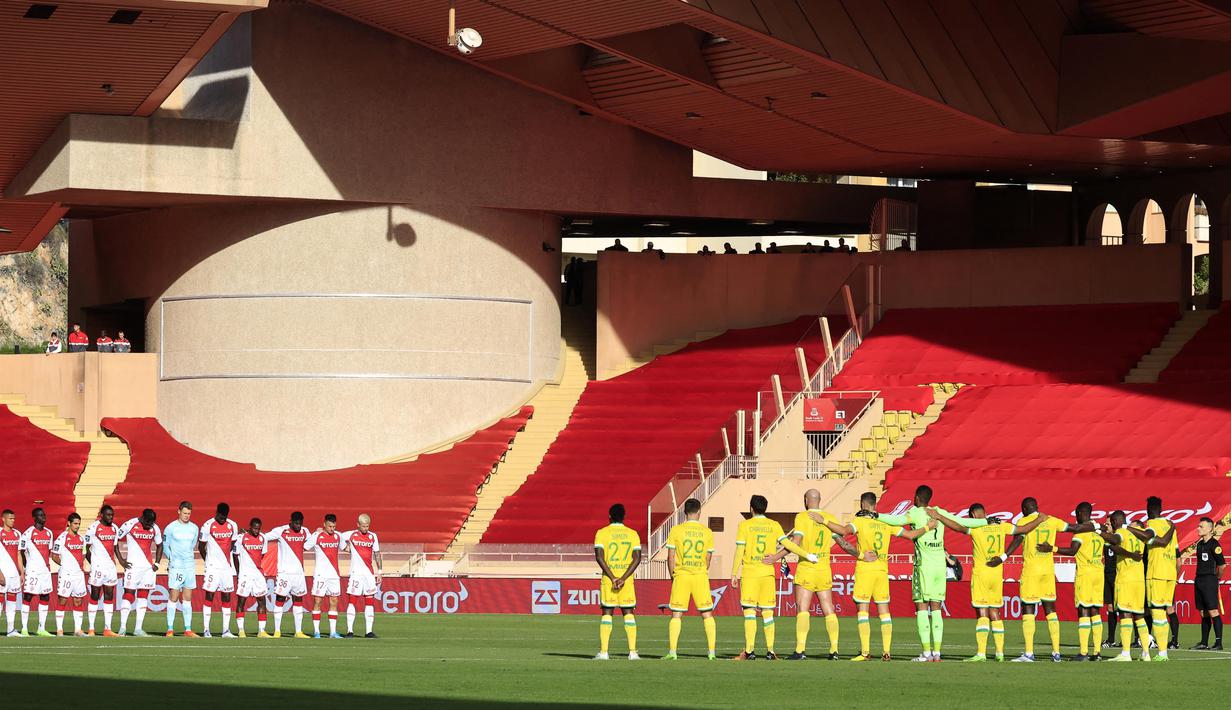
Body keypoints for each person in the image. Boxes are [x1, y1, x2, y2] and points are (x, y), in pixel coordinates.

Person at [815, 492, 935, 661]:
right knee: (884, 612)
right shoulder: (885, 521)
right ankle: (886, 652)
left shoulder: (860, 521)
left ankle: (865, 652)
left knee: (863, 610)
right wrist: (929, 527)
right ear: (875, 505)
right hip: (882, 571)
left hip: (865, 569)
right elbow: (910, 535)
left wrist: (824, 521)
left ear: (863, 505)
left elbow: (843, 531)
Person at [877, 485, 989, 662]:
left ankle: (927, 653)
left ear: (916, 497)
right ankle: (937, 652)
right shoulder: (939, 512)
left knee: (922, 607)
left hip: (924, 567)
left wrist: (875, 515)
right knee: (936, 608)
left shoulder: (915, 512)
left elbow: (896, 520)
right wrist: (987, 521)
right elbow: (964, 523)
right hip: (940, 568)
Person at [929, 503, 1049, 661]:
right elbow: (1024, 530)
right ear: (984, 513)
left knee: (982, 613)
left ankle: (981, 653)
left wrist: (939, 517)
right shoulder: (1001, 526)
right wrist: (1039, 519)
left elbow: (958, 527)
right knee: (995, 612)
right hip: (997, 574)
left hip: (981, 573)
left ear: (972, 515)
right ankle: (999, 653)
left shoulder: (977, 528)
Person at [765, 489, 858, 660]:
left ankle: (800, 650)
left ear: (807, 500)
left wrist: (776, 557)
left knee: (803, 609)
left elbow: (796, 542)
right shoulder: (829, 518)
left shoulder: (802, 517)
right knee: (828, 608)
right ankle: (834, 650)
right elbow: (843, 543)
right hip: (824, 568)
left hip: (807, 567)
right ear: (819, 500)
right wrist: (860, 555)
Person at [1002, 496, 1094, 662]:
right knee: (1050, 610)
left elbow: (1017, 539)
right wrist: (1095, 526)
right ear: (1037, 507)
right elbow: (1073, 527)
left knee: (1028, 610)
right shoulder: (1051, 520)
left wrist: (1003, 557)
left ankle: (1029, 653)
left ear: (1024, 509)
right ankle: (1056, 653)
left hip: (1031, 571)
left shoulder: (1025, 521)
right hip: (1048, 572)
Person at [730, 495, 811, 661]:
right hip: (767, 573)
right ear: (765, 508)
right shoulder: (774, 525)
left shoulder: (744, 525)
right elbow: (788, 545)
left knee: (749, 612)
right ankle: (770, 651)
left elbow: (740, 550)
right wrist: (806, 555)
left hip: (750, 573)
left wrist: (734, 573)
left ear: (751, 508)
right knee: (768, 613)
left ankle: (750, 651)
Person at [1124, 497, 1178, 659]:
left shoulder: (1152, 525)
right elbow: (1176, 552)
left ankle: (1162, 653)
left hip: (1156, 573)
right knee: (1162, 611)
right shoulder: (1169, 525)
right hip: (1170, 573)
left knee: (1157, 612)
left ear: (1148, 510)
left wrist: (1127, 528)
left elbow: (1149, 536)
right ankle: (1161, 651)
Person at [662, 498, 716, 660]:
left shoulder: (676, 530)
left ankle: (672, 652)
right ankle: (712, 653)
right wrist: (700, 569)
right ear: (699, 511)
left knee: (676, 614)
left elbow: (670, 557)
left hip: (682, 575)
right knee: (707, 613)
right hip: (700, 576)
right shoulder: (707, 532)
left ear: (684, 512)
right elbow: (708, 558)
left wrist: (673, 575)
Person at [1052, 502, 1105, 660]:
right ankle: (1097, 652)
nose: (1075, 516)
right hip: (1098, 572)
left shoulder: (1081, 533)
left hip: (1086, 574)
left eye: (1076, 513)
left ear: (1082, 513)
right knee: (1095, 611)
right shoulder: (1098, 531)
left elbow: (1072, 551)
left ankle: (1083, 652)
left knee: (1083, 610)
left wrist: (1053, 549)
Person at [1099, 511, 1151, 661]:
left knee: (1125, 614)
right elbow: (1115, 547)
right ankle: (1146, 653)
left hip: (1126, 579)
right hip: (1139, 580)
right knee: (1139, 616)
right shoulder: (1139, 534)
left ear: (1115, 522)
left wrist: (1099, 532)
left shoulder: (1122, 532)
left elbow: (1115, 539)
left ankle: (1126, 653)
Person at [593, 504, 640, 660]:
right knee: (628, 612)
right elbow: (637, 558)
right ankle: (632, 652)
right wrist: (623, 578)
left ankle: (604, 652)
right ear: (624, 516)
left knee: (607, 612)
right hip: (626, 581)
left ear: (609, 516)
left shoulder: (602, 533)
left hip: (609, 579)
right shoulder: (633, 534)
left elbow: (599, 556)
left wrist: (613, 577)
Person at [116, 508, 161, 636]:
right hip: (133, 567)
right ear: (142, 518)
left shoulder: (155, 528)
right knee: (129, 594)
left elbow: (160, 545)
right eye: (147, 523)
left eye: (151, 523)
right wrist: (121, 560)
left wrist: (157, 563)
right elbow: (115, 540)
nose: (149, 526)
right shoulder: (130, 524)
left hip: (148, 568)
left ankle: (138, 629)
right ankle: (122, 627)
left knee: (143, 596)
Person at [265, 511, 311, 638]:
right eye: (296, 523)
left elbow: (310, 542)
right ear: (290, 521)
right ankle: (277, 631)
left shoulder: (305, 531)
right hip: (284, 573)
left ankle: (298, 631)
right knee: (280, 599)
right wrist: (248, 533)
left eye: (300, 524)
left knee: (298, 600)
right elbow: (264, 537)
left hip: (299, 573)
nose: (298, 526)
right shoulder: (281, 531)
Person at [199, 502, 240, 637]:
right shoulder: (208, 525)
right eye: (221, 516)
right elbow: (201, 546)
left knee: (227, 596)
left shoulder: (232, 525)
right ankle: (206, 630)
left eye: (225, 516)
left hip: (226, 568)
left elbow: (233, 544)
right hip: (212, 568)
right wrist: (208, 561)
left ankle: (226, 630)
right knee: (209, 595)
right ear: (216, 512)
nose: (223, 518)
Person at [162, 501, 199, 637]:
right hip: (176, 566)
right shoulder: (170, 528)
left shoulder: (194, 528)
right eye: (184, 513)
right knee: (174, 596)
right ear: (178, 511)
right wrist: (172, 558)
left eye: (189, 513)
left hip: (189, 565)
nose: (186, 516)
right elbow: (165, 545)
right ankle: (170, 629)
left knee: (188, 597)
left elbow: (192, 545)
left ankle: (187, 629)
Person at [343, 513, 382, 638]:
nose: (366, 528)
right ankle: (350, 631)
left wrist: (379, 571)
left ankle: (368, 631)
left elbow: (377, 553)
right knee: (352, 601)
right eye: (364, 526)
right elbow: (336, 537)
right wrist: (346, 548)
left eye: (367, 526)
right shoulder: (351, 535)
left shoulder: (373, 536)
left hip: (369, 574)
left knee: (369, 601)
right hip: (356, 574)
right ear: (358, 525)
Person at [306, 514, 344, 638]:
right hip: (320, 575)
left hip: (334, 575)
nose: (332, 528)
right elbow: (305, 546)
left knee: (334, 601)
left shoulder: (338, 536)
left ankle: (333, 632)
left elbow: (346, 548)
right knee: (318, 601)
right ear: (324, 524)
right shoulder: (317, 536)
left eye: (334, 526)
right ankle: (316, 631)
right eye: (330, 526)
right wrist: (312, 533)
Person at [84, 505, 120, 636]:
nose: (111, 517)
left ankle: (107, 628)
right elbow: (85, 549)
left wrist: (119, 561)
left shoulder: (115, 528)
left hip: (110, 567)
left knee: (109, 596)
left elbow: (115, 547)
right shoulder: (93, 528)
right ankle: (91, 628)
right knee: (95, 595)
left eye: (112, 515)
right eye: (108, 515)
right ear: (102, 515)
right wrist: (92, 563)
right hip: (97, 567)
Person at [51, 513, 88, 636]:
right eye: (75, 524)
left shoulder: (81, 539)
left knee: (78, 600)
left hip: (78, 575)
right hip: (66, 574)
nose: (77, 526)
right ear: (69, 523)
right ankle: (59, 629)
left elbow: (83, 554)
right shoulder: (62, 538)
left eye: (79, 524)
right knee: (63, 600)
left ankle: (78, 629)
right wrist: (65, 565)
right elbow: (54, 555)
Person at [19, 507, 54, 637]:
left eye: (44, 515)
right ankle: (24, 628)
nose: (43, 517)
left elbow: (48, 551)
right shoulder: (28, 534)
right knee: (28, 596)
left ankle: (41, 628)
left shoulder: (49, 533)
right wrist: (26, 566)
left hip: (45, 571)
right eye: (40, 515)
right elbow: (21, 552)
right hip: (33, 570)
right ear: (35, 517)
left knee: (45, 596)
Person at [1191, 516, 1224, 649]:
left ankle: (1218, 642)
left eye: (1201, 527)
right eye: (1198, 526)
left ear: (1210, 529)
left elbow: (1222, 565)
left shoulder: (1214, 544)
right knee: (1203, 612)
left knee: (1213, 611)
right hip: (1199, 579)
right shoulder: (1199, 544)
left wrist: (1217, 578)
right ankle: (1204, 643)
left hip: (1210, 579)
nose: (1198, 529)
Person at [235, 518, 270, 638]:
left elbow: (262, 554)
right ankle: (241, 630)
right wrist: (239, 572)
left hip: (258, 574)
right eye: (254, 528)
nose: (256, 531)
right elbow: (235, 555)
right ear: (250, 527)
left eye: (258, 529)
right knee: (241, 601)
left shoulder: (263, 538)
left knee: (262, 600)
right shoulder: (241, 538)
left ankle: (261, 631)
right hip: (245, 574)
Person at [0, 509, 23, 636]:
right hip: (3, 573)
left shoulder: (17, 534)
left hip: (14, 574)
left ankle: (10, 629)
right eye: (10, 519)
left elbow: (19, 554)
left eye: (14, 519)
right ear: (3, 519)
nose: (13, 521)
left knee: (12, 600)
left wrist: (22, 573)